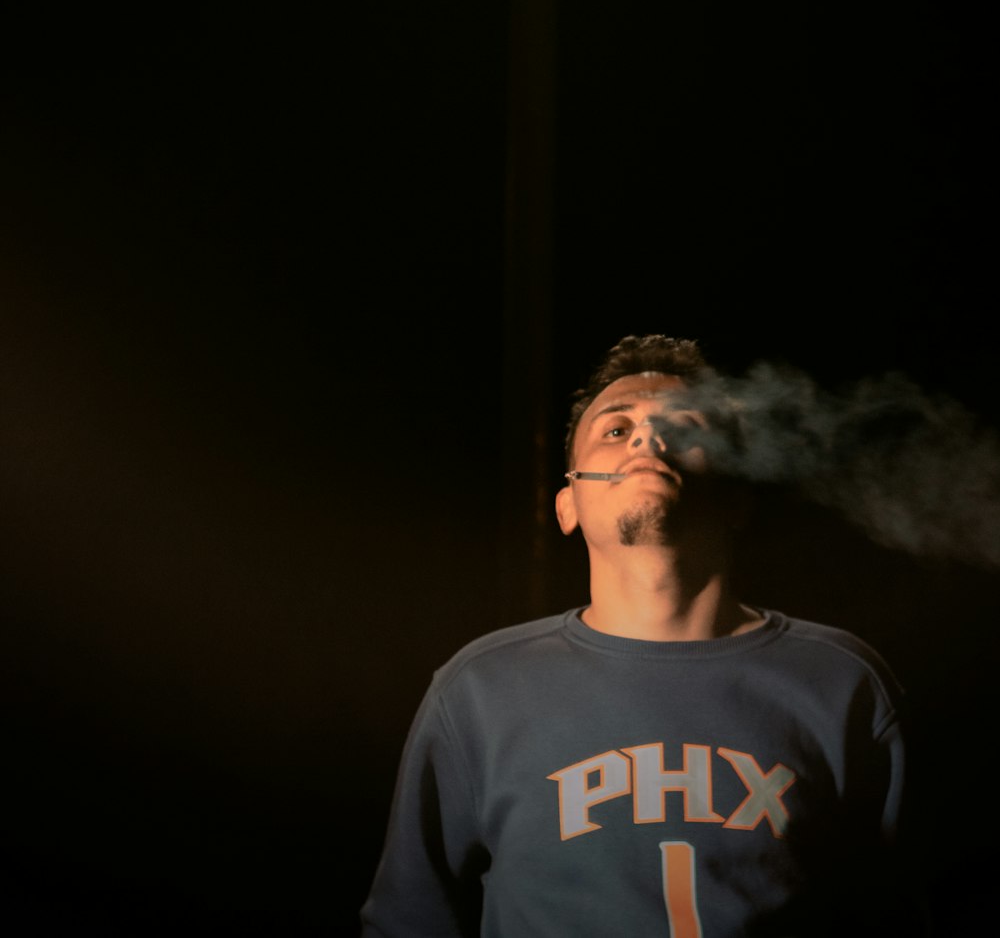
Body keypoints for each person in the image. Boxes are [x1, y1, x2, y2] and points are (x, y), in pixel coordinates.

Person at [360, 335, 920, 936]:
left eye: (682, 429)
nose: (648, 442)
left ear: (736, 497)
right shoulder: (478, 691)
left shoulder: (842, 681)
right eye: (616, 430)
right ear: (568, 505)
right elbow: (408, 922)